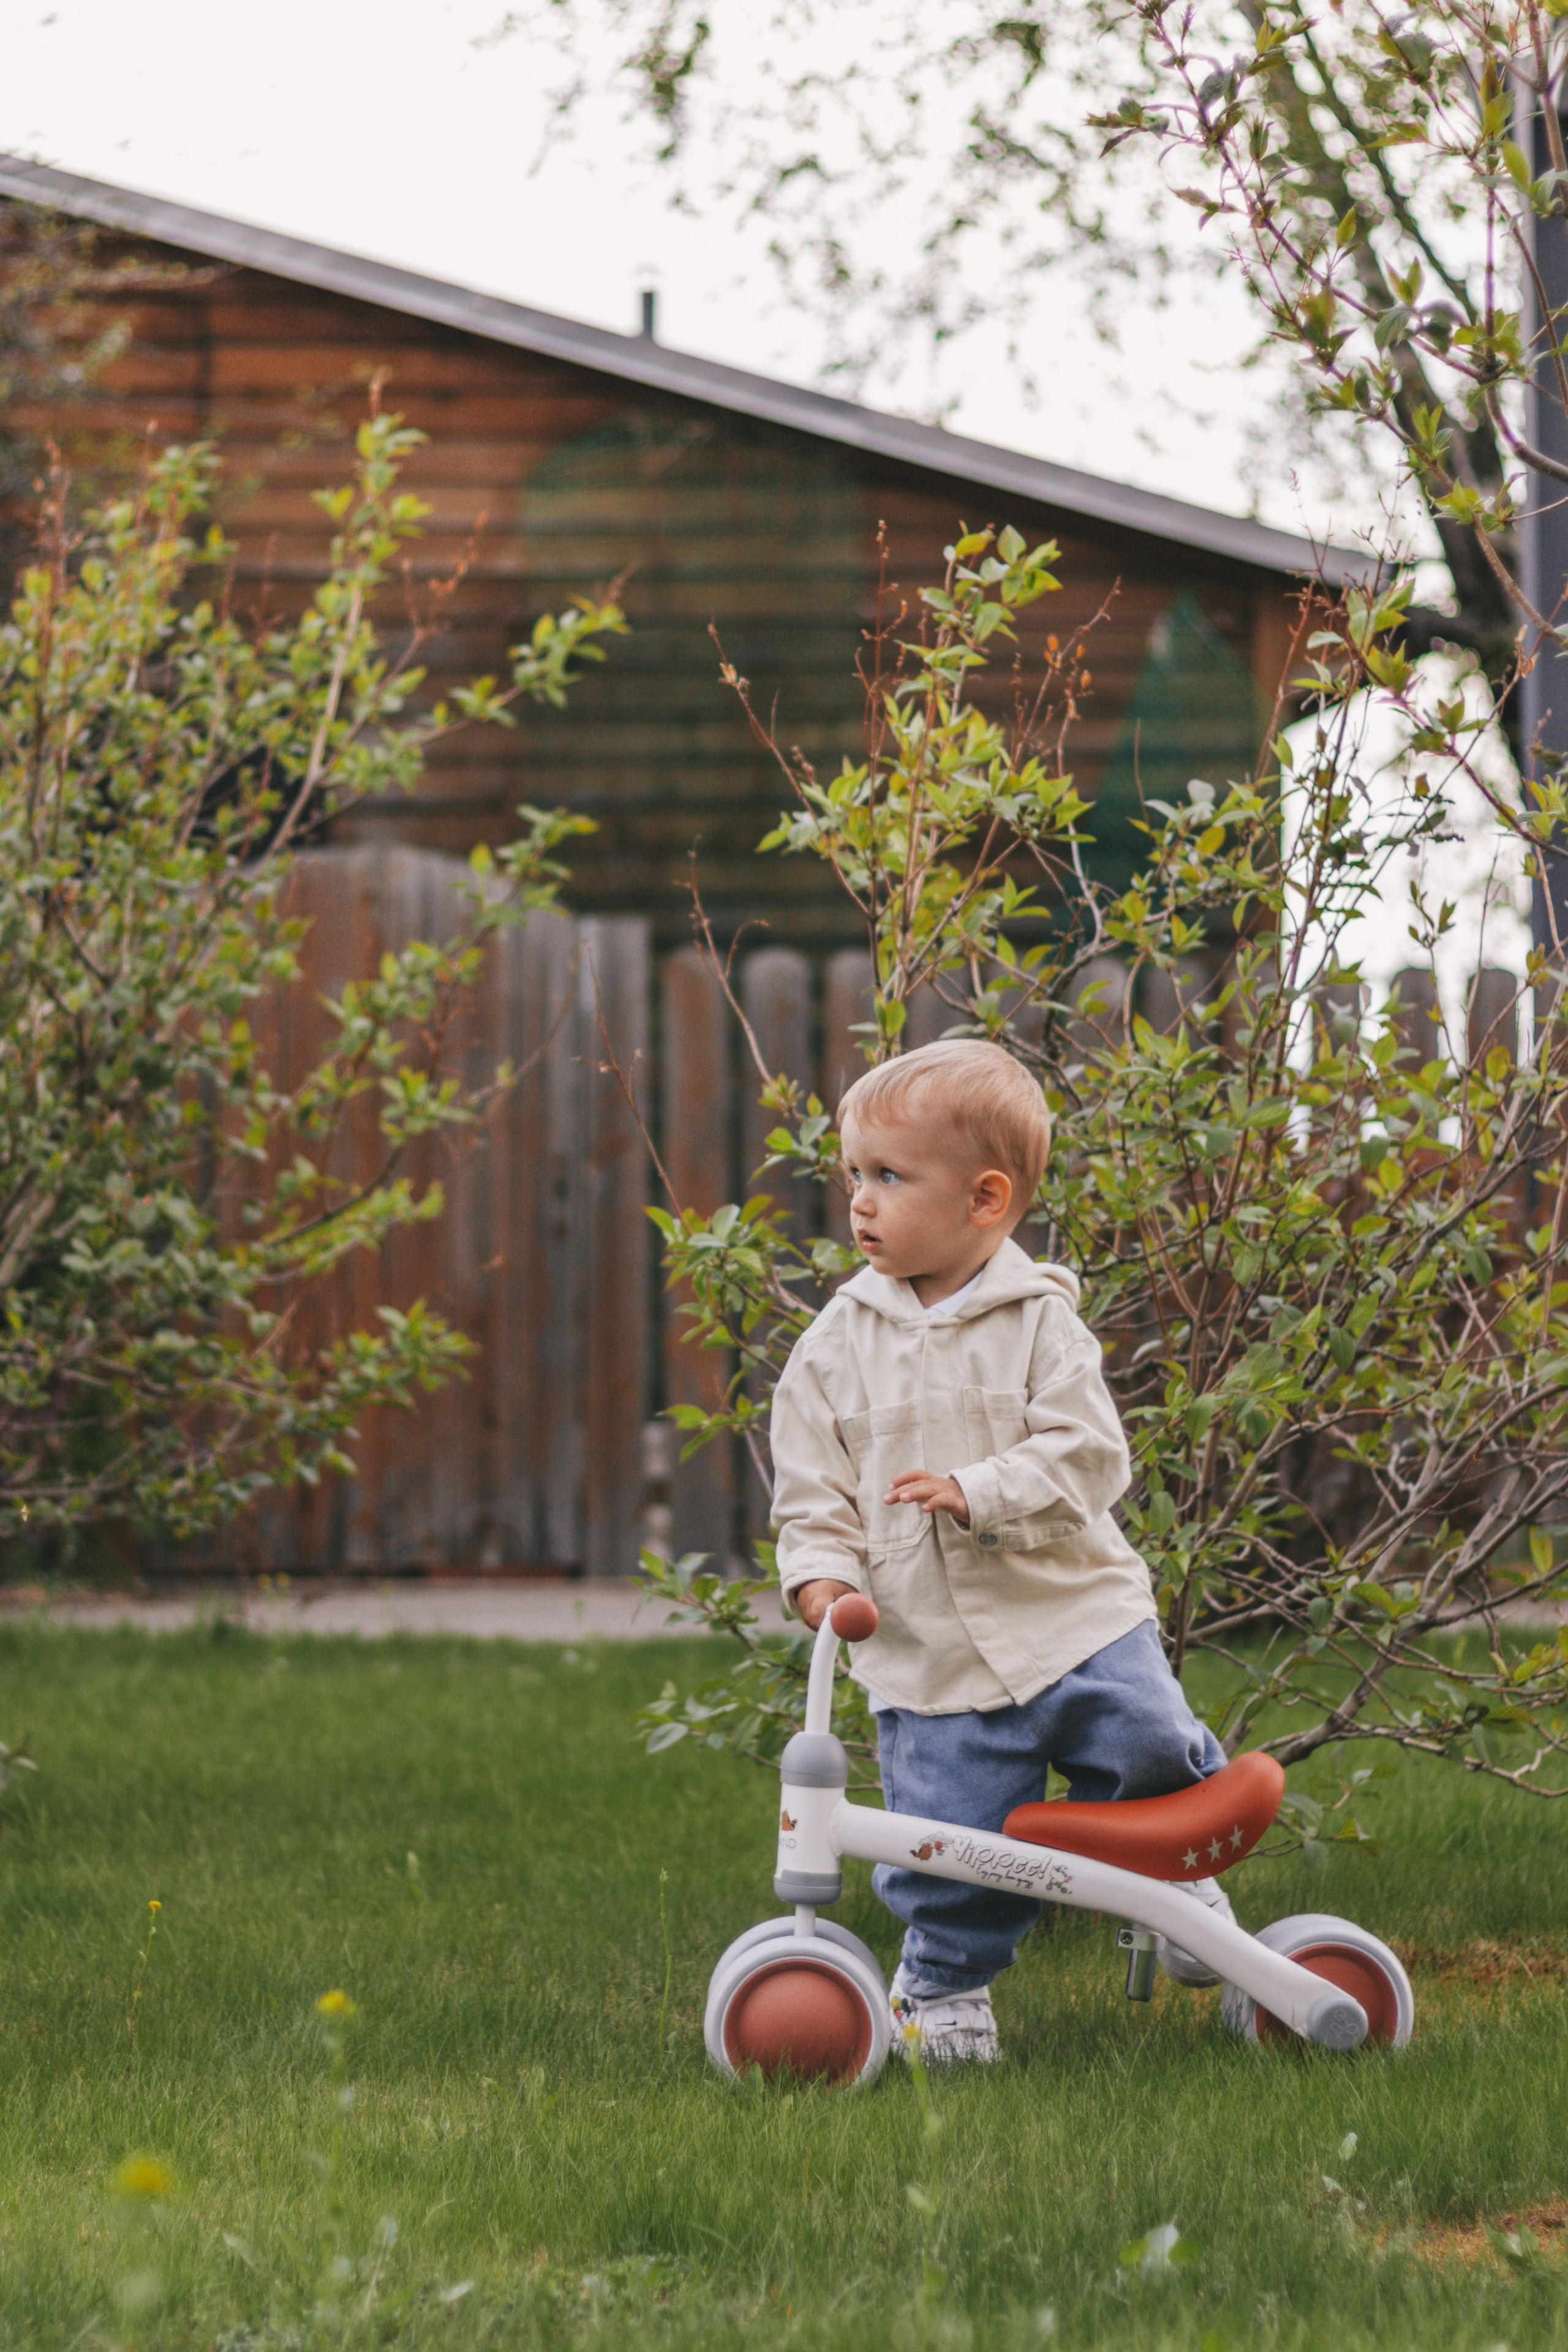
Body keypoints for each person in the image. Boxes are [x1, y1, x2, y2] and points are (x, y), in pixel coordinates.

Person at [769, 1037, 1231, 2062]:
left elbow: (1089, 1457)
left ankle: (1176, 1869)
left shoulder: (1040, 1326)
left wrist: (979, 1492)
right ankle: (942, 1986)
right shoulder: (830, 1352)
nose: (861, 1202)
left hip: (1071, 1616)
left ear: (985, 1200)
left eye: (890, 1176)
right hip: (933, 1655)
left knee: (1148, 1739)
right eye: (853, 1176)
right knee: (952, 1837)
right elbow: (813, 1489)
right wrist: (823, 1575)